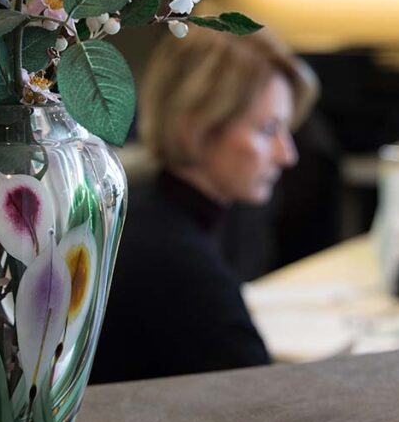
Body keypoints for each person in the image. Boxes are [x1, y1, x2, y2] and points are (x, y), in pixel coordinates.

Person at [90, 26, 318, 384]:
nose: (287, 155)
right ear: (196, 127)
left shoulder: (147, 217)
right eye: (268, 129)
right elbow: (259, 396)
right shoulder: (177, 261)